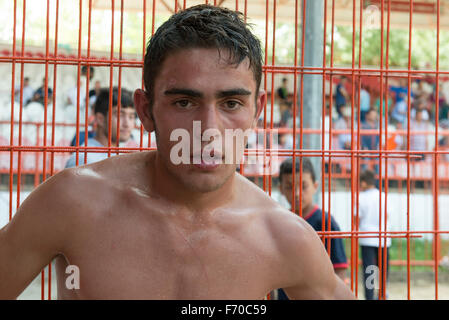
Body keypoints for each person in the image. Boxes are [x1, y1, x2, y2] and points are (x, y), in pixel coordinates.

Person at [0, 5, 355, 300]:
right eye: (184, 102)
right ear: (146, 109)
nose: (208, 129)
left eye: (231, 102)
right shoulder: (72, 201)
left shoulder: (283, 237)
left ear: (257, 110)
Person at [275, 158, 349, 300]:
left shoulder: (327, 223)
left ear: (315, 186)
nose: (296, 193)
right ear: (281, 189)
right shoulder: (279, 223)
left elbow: (339, 268)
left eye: (303, 186)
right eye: (290, 186)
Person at [65, 87, 136, 168]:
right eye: (120, 115)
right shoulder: (85, 159)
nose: (127, 124)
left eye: (131, 117)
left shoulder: (121, 155)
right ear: (100, 119)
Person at [357, 169, 391, 300]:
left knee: (369, 270)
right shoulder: (383, 196)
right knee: (383, 269)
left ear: (364, 183)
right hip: (383, 237)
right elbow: (387, 215)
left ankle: (369, 297)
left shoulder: (360, 197)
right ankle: (382, 294)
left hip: (367, 237)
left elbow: (357, 218)